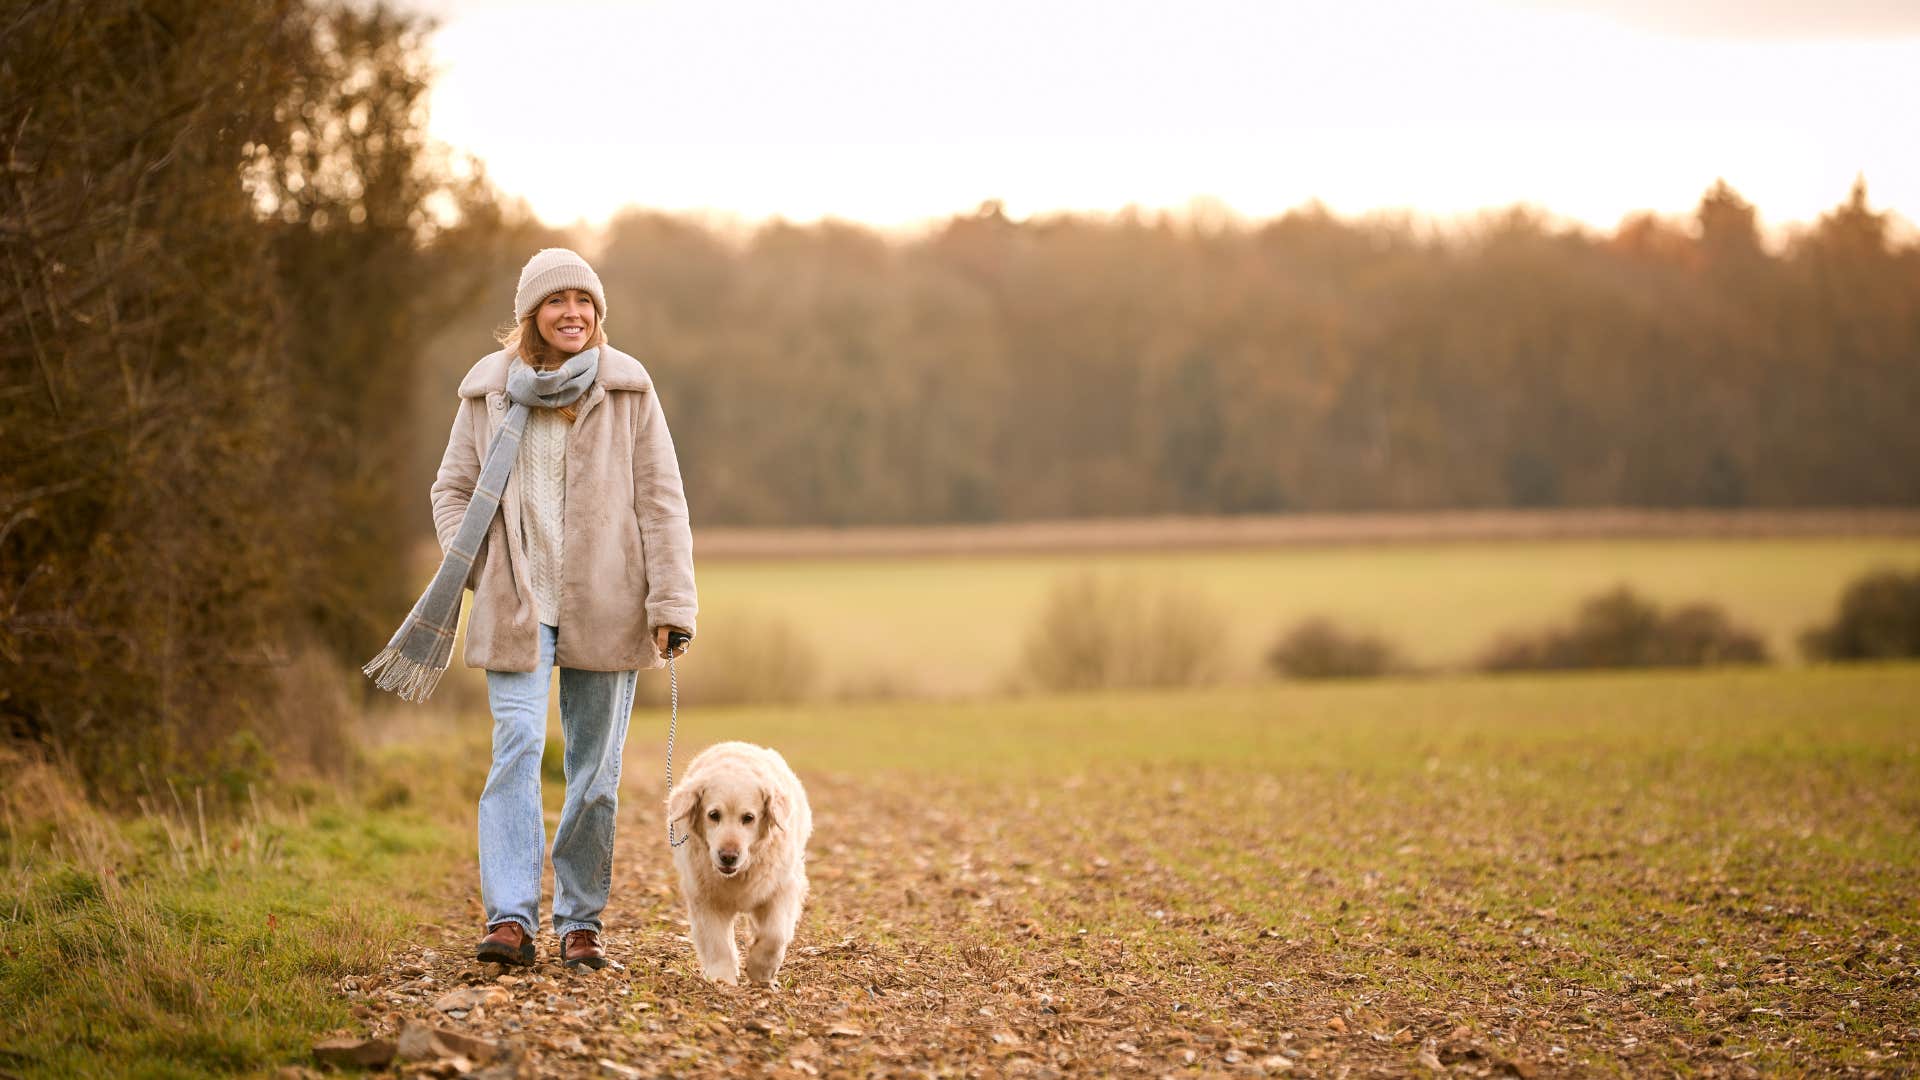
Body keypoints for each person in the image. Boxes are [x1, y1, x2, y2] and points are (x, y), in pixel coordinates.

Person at [427, 247, 697, 970]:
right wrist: (478, 562)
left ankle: (580, 922)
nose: (572, 313)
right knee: (515, 748)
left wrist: (671, 602)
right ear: (532, 316)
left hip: (611, 605)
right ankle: (510, 919)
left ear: (597, 315)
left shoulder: (629, 390)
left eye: (584, 302)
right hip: (517, 604)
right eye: (557, 302)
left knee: (593, 774)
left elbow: (662, 504)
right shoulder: (487, 392)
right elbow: (451, 489)